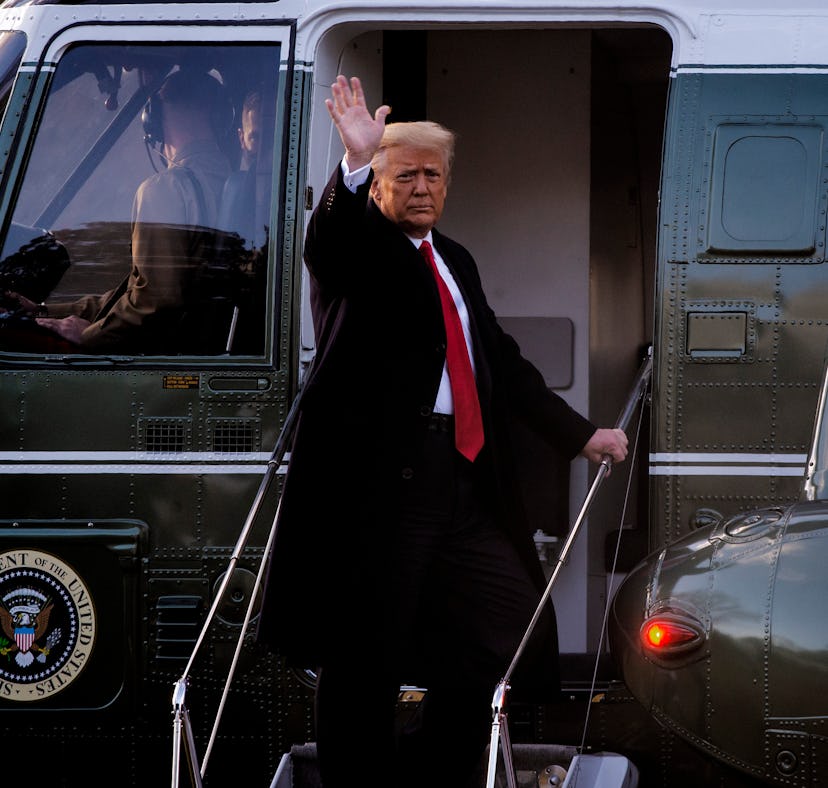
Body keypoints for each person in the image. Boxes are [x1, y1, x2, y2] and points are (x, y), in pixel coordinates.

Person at [257, 75, 628, 788]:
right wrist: (356, 161)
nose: (421, 186)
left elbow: (503, 364)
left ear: (448, 183)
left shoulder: (454, 259)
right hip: (378, 491)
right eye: (405, 175)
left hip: (459, 481)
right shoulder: (360, 249)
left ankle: (430, 762)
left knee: (510, 630)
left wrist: (581, 435)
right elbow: (328, 241)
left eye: (433, 174)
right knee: (364, 657)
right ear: (380, 184)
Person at [30, 69, 232, 352]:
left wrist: (88, 336)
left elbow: (155, 300)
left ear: (154, 122)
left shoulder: (164, 189)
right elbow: (138, 289)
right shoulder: (232, 180)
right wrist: (43, 311)